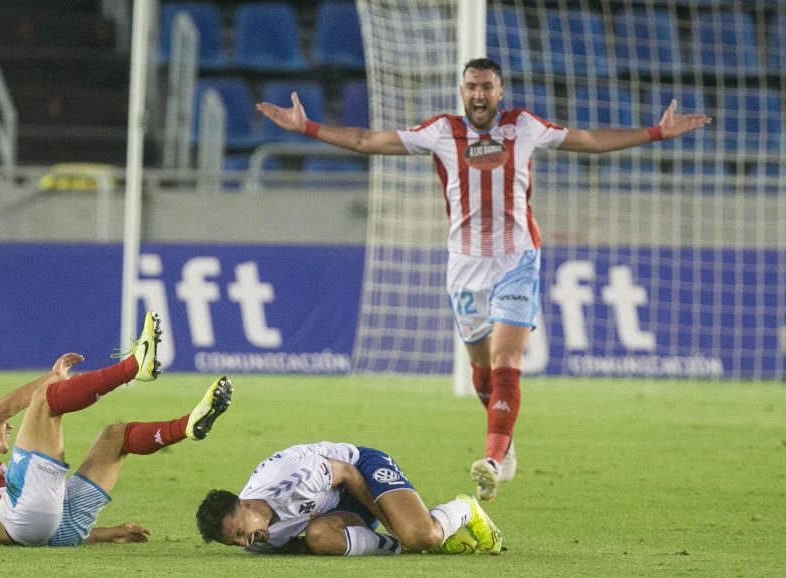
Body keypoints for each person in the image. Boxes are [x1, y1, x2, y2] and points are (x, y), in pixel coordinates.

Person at [256, 57, 712, 501]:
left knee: (507, 359)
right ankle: (505, 439)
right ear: (462, 92)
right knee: (483, 371)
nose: (479, 94)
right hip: (465, 266)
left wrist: (655, 132)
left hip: (517, 258)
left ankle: (491, 460)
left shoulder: (525, 126)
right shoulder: (440, 132)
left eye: (487, 87)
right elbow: (365, 141)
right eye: (472, 86)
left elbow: (590, 140)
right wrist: (308, 128)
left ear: (499, 92)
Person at [0, 311, 233, 546]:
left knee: (115, 437)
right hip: (25, 518)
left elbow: (31, 531)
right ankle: (133, 367)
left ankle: (188, 425)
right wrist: (53, 378)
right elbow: (9, 407)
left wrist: (105, 533)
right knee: (45, 402)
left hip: (47, 528)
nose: (6, 424)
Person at [196, 441, 503, 556]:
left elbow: (347, 474)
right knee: (318, 538)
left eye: (239, 533)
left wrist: (392, 524)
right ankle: (404, 546)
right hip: (336, 507)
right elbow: (300, 545)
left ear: (246, 505)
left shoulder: (290, 476)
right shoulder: (259, 539)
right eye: (234, 543)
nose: (244, 544)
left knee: (422, 534)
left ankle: (466, 508)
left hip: (361, 469)